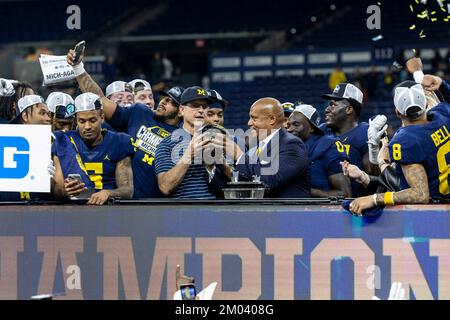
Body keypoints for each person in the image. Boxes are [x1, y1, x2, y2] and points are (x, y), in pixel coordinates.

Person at [66, 46, 183, 199]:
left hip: (159, 205)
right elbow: (100, 100)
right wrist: (78, 68)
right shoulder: (139, 113)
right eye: (164, 98)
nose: (162, 102)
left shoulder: (182, 138)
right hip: (125, 202)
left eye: (170, 102)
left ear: (181, 110)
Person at [348, 78, 450, 215]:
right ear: (425, 104)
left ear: (397, 112)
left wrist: (375, 199)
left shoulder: (406, 140)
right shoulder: (443, 113)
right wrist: (441, 83)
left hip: (436, 212)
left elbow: (420, 194)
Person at [210, 97, 310, 198]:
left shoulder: (292, 145)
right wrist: (222, 165)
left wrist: (238, 154)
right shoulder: (261, 145)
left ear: (272, 119)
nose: (249, 123)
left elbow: (270, 180)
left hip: (288, 212)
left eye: (254, 118)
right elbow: (250, 179)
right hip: (266, 211)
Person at [52, 92, 134, 205]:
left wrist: (108, 193)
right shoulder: (63, 141)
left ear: (102, 118)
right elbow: (58, 191)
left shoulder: (119, 142)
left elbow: (127, 190)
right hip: (74, 209)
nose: (87, 127)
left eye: (92, 120)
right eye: (82, 121)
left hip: (108, 209)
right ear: (76, 121)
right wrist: (65, 191)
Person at [154, 86, 216, 199]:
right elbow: (164, 187)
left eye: (205, 106)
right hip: (184, 211)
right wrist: (189, 154)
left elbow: (232, 182)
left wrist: (216, 164)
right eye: (195, 106)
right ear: (182, 110)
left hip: (216, 210)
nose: (201, 110)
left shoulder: (217, 140)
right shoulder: (167, 143)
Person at [320, 83, 373, 197]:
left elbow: (373, 181)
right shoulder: (321, 131)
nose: (327, 109)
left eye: (333, 105)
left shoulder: (365, 133)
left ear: (349, 109)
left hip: (357, 206)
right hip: (321, 206)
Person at [287, 104, 351, 198]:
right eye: (288, 125)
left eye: (296, 125)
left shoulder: (329, 147)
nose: (290, 129)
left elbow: (345, 194)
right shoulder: (288, 148)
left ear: (312, 128)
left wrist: (306, 191)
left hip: (321, 211)